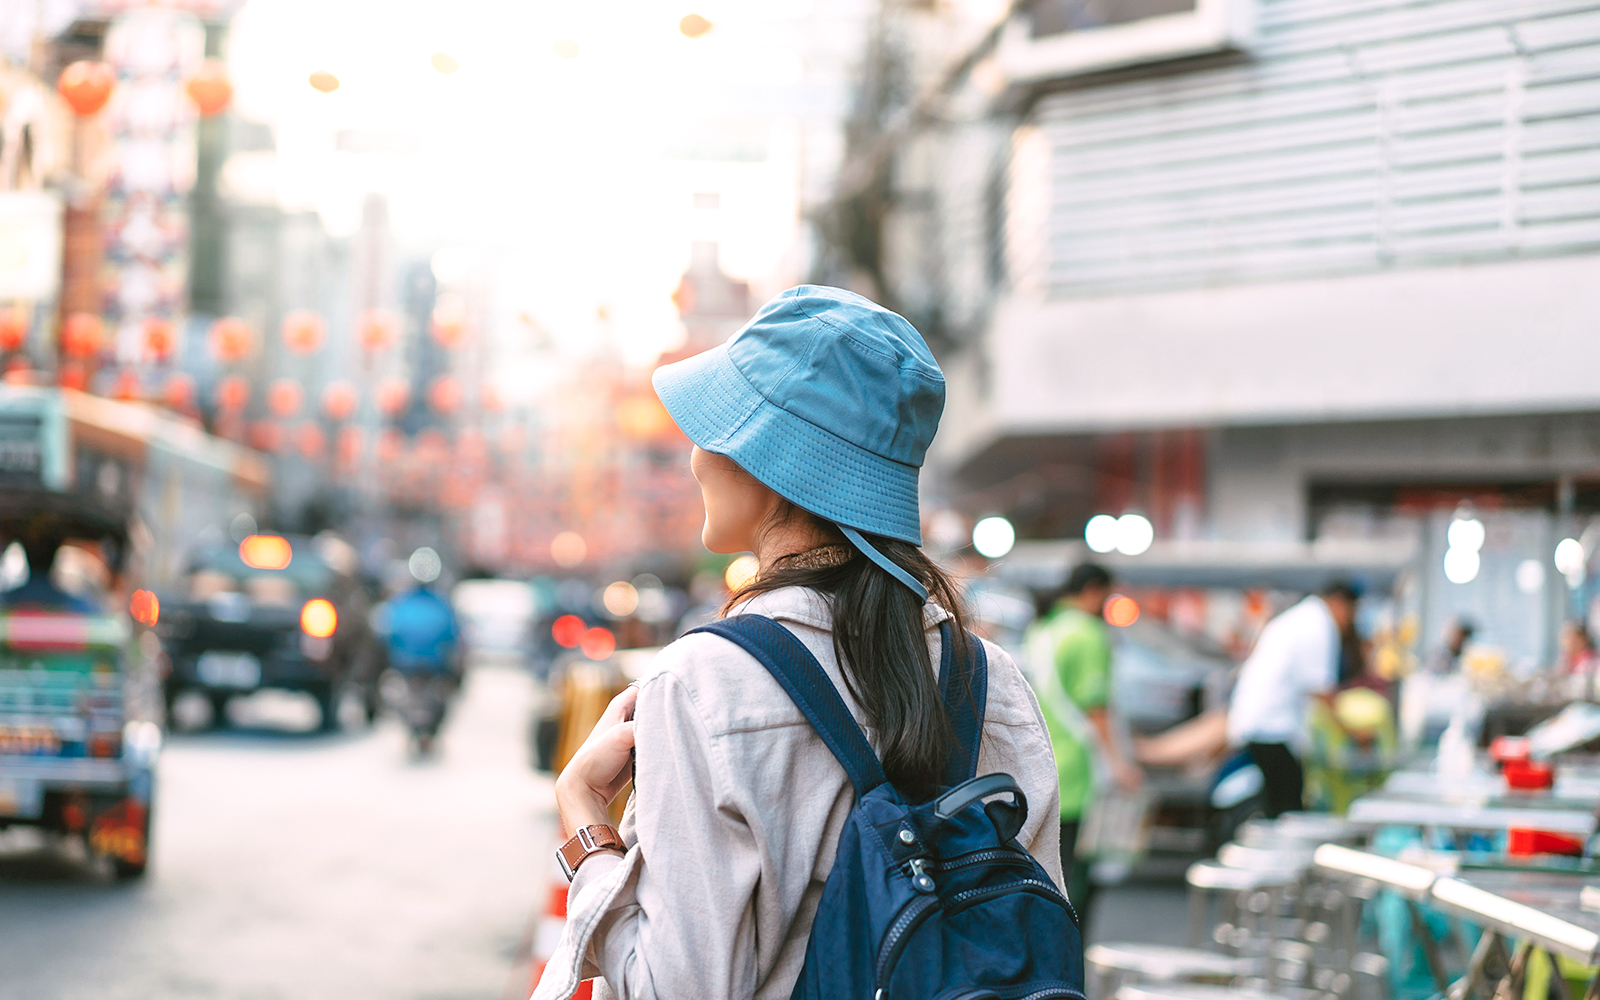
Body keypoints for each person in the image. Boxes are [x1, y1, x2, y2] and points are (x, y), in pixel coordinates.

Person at [533, 286, 1062, 1000]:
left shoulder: (704, 681)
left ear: (771, 458)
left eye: (716, 429)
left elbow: (672, 990)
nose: (695, 458)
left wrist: (585, 822)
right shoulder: (991, 680)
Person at [1023, 561, 1141, 936]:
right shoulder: (1087, 634)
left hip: (1042, 765)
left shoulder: (1042, 631)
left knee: (1047, 872)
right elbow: (1097, 708)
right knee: (1080, 880)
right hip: (1082, 771)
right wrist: (1120, 764)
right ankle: (1071, 958)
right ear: (1093, 590)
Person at [1225, 580, 1359, 818]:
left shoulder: (1303, 619)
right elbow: (1322, 690)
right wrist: (1353, 732)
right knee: (1288, 808)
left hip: (1261, 721)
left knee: (1279, 803)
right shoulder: (1318, 625)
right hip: (1272, 727)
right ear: (1341, 604)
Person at [380, 553, 461, 752]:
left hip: (413, 664)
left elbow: (388, 632)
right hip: (427, 665)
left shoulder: (402, 602)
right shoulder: (440, 603)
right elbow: (452, 634)